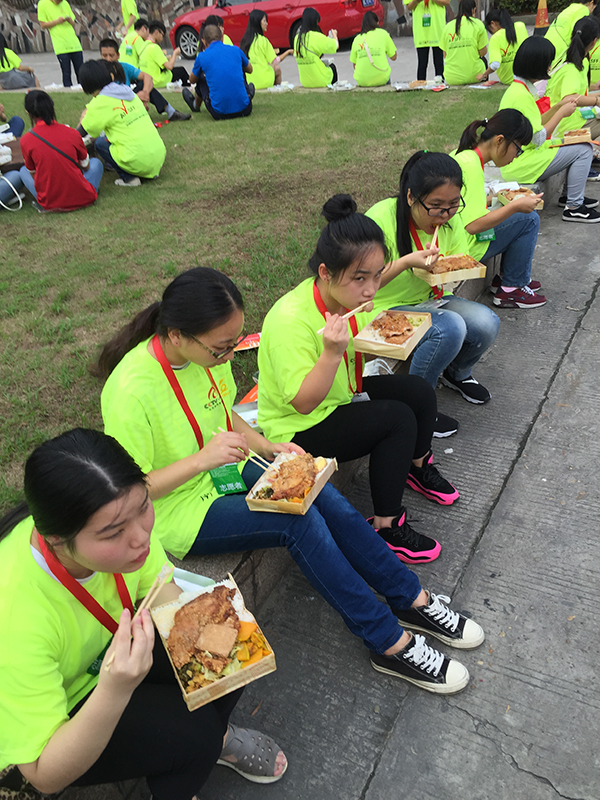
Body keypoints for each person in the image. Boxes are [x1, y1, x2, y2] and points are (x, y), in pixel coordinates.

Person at [95, 266, 484, 694]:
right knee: (297, 522)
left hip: (224, 465)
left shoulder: (205, 356)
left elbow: (223, 415)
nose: (230, 357)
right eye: (222, 348)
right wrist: (202, 460)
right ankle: (386, 640)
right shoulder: (130, 390)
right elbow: (131, 492)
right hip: (178, 507)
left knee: (318, 491)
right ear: (176, 335)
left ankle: (410, 598)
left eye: (234, 344)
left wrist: (267, 447)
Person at [0, 428, 288, 796]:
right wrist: (114, 691)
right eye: (113, 533)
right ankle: (201, 749)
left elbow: (163, 592)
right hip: (72, 709)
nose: (141, 537)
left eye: (143, 508)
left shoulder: (115, 518)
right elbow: (45, 773)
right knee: (194, 737)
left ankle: (212, 740)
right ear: (56, 540)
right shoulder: (15, 618)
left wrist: (208, 623)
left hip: (112, 656)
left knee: (234, 652)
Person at [258, 194, 461, 526]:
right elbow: (303, 403)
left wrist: (393, 338)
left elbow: (361, 350)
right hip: (299, 427)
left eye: (377, 276)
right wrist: (332, 352)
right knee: (397, 420)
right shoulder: (289, 320)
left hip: (340, 393)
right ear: (325, 272)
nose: (371, 290)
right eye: (360, 278)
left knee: (419, 392)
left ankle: (416, 466)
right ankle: (387, 525)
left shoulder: (344, 299)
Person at [365, 151, 500, 412]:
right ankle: (418, 404)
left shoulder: (450, 218)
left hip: (429, 299)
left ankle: (457, 373)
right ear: (410, 197)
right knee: (450, 327)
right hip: (382, 306)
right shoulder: (379, 221)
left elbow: (457, 259)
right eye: (436, 206)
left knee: (487, 323)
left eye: (453, 204)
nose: (445, 214)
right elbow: (361, 286)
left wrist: (445, 268)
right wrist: (406, 262)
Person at [452, 111, 546, 309]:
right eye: (517, 149)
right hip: (465, 246)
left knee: (517, 214)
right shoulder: (471, 167)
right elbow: (472, 226)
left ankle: (506, 279)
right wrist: (514, 206)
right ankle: (512, 289)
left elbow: (463, 205)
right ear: (500, 140)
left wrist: (495, 199)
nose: (515, 157)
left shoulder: (464, 155)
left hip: (455, 238)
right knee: (529, 219)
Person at [498, 36, 599, 223]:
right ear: (537, 65)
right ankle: (574, 207)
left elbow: (534, 122)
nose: (550, 67)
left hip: (523, 156)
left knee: (576, 142)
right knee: (584, 149)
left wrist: (558, 106)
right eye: (548, 63)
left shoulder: (520, 89)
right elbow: (537, 138)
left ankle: (569, 198)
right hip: (521, 162)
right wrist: (561, 113)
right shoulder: (521, 95)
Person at [78, 60, 166, 188]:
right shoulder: (126, 91)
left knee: (100, 143)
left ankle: (130, 178)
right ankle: (148, 171)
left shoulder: (99, 103)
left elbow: (83, 131)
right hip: (158, 157)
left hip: (137, 158)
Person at [18, 91, 102, 212]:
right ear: (52, 107)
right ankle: (84, 189)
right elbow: (86, 166)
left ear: (28, 112)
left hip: (50, 202)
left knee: (23, 170)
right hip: (83, 198)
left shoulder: (26, 140)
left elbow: (34, 174)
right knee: (96, 163)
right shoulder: (72, 133)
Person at [99, 38, 191, 122]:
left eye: (111, 55)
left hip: (129, 101)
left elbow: (147, 77)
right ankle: (170, 112)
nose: (108, 59)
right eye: (104, 55)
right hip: (113, 106)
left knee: (143, 84)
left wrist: (145, 94)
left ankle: (171, 112)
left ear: (118, 55)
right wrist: (136, 97)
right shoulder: (98, 72)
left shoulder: (124, 67)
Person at [182, 25, 253, 120]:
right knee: (241, 69)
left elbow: (192, 80)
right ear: (222, 37)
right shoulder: (236, 50)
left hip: (219, 113)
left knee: (200, 79)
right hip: (245, 109)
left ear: (203, 41)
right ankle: (246, 95)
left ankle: (196, 105)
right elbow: (250, 69)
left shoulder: (202, 56)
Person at [546, 17, 600, 141]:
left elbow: (575, 93)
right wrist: (596, 100)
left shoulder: (566, 56)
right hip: (564, 131)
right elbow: (570, 98)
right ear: (594, 42)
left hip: (570, 121)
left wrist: (596, 92)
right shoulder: (573, 69)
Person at [240, 10, 293, 89]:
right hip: (264, 81)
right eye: (264, 21)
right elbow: (275, 61)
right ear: (258, 23)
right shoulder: (263, 40)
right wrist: (288, 52)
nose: (266, 23)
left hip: (248, 82)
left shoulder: (244, 41)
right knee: (276, 68)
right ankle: (277, 89)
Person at [440, 0, 488, 86]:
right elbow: (483, 52)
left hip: (451, 78)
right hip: (475, 76)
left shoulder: (448, 27)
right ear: (474, 10)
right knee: (484, 60)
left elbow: (445, 54)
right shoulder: (478, 24)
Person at [37, 0, 83, 88]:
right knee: (66, 72)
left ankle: (83, 89)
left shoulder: (65, 3)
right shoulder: (42, 3)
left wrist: (69, 19)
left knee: (81, 71)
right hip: (60, 45)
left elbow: (73, 24)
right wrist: (57, 21)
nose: (60, 1)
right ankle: (68, 90)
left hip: (74, 42)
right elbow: (43, 25)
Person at [478, 8, 527, 84]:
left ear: (492, 24)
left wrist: (484, 74)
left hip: (510, 81)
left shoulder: (496, 38)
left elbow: (495, 65)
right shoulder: (521, 26)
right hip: (527, 78)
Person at [350, 11, 397, 87]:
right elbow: (394, 57)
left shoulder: (357, 39)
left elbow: (354, 65)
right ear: (377, 23)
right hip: (382, 78)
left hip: (362, 80)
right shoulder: (383, 33)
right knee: (385, 74)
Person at [294, 8, 339, 87]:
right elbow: (335, 45)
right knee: (332, 67)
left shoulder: (297, 38)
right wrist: (334, 34)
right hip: (320, 80)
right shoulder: (316, 36)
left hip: (305, 82)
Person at [406, 0, 449, 81]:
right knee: (422, 63)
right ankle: (421, 84)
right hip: (421, 31)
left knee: (439, 62)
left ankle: (440, 84)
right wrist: (416, 1)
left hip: (437, 29)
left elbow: (447, 2)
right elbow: (409, 7)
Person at [546, 0, 596, 68]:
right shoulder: (583, 10)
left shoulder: (571, 8)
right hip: (560, 52)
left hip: (548, 47)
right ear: (591, 2)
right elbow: (580, 33)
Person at [140, 21, 189, 89]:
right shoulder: (154, 47)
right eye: (163, 35)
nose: (162, 38)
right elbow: (169, 66)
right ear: (157, 32)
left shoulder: (143, 45)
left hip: (146, 80)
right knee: (181, 71)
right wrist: (175, 54)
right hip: (156, 81)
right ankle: (189, 89)